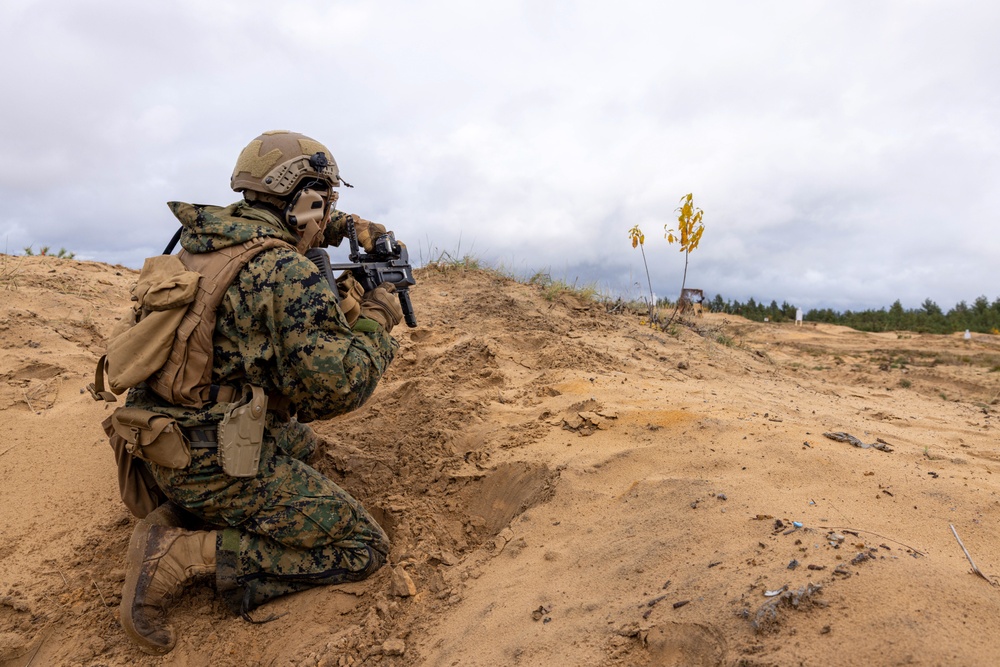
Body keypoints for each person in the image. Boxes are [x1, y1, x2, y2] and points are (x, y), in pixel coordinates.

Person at [118, 130, 403, 654]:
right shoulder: (285, 272)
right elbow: (336, 389)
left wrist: (348, 227)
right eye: (325, 202)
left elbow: (287, 225)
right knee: (363, 548)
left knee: (300, 445)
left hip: (160, 443)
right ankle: (184, 551)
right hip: (210, 458)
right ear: (303, 200)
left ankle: (181, 508)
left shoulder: (206, 240)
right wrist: (377, 323)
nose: (327, 214)